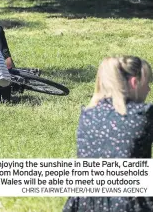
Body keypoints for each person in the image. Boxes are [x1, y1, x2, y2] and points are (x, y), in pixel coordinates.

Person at [63, 56, 153, 212]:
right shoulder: (143, 114)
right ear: (134, 82)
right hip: (130, 204)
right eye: (147, 83)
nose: (149, 89)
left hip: (85, 204)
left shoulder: (88, 115)